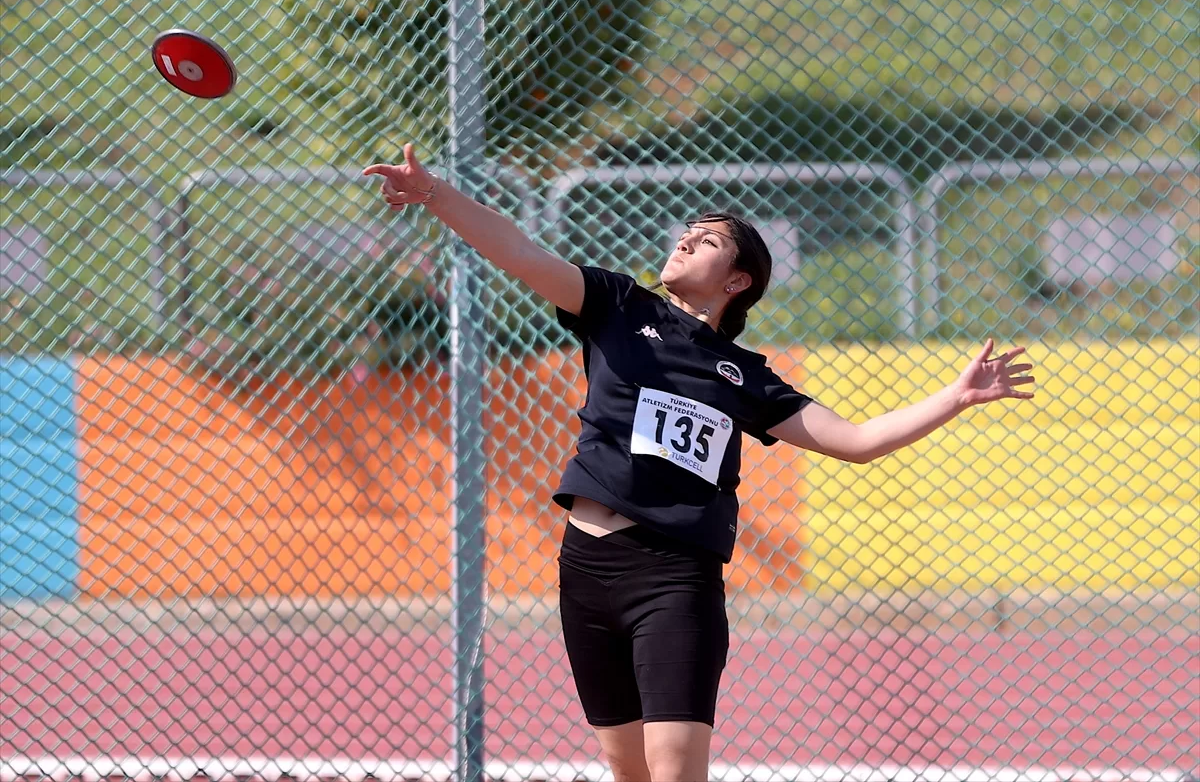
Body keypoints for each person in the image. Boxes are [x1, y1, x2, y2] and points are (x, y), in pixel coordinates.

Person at [364, 145, 1036, 782]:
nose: (685, 240)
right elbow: (517, 251)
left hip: (673, 578)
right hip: (586, 571)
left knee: (675, 768)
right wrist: (434, 194)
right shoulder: (618, 306)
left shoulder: (745, 377)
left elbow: (855, 439)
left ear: (738, 280)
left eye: (708, 240)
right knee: (628, 769)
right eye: (687, 232)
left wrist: (955, 397)